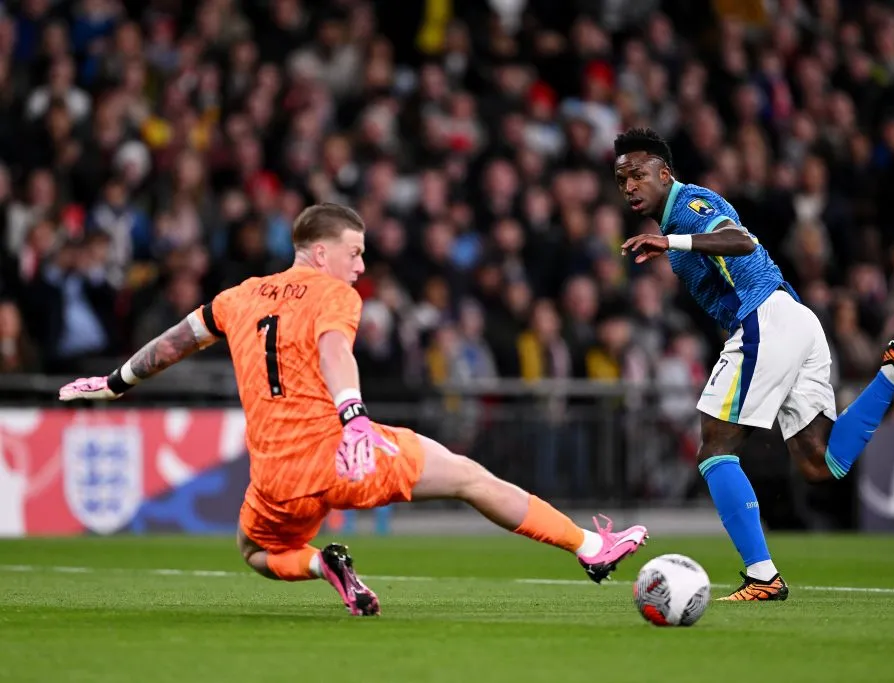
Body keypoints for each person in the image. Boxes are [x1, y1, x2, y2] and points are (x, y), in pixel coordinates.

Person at [58, 203, 648, 616]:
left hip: (274, 478)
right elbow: (334, 350)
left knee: (256, 552)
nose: (361, 266)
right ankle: (588, 547)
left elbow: (175, 342)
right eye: (355, 253)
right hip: (341, 454)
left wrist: (115, 382)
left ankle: (323, 567)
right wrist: (354, 416)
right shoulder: (334, 293)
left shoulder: (238, 297)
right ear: (321, 252)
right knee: (469, 477)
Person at [612, 128, 894, 601]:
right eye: (622, 180)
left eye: (637, 174)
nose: (629, 186)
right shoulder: (679, 219)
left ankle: (763, 577)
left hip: (766, 318)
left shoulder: (690, 205)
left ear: (664, 173)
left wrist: (673, 242)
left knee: (714, 446)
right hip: (792, 319)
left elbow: (740, 241)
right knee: (821, 462)